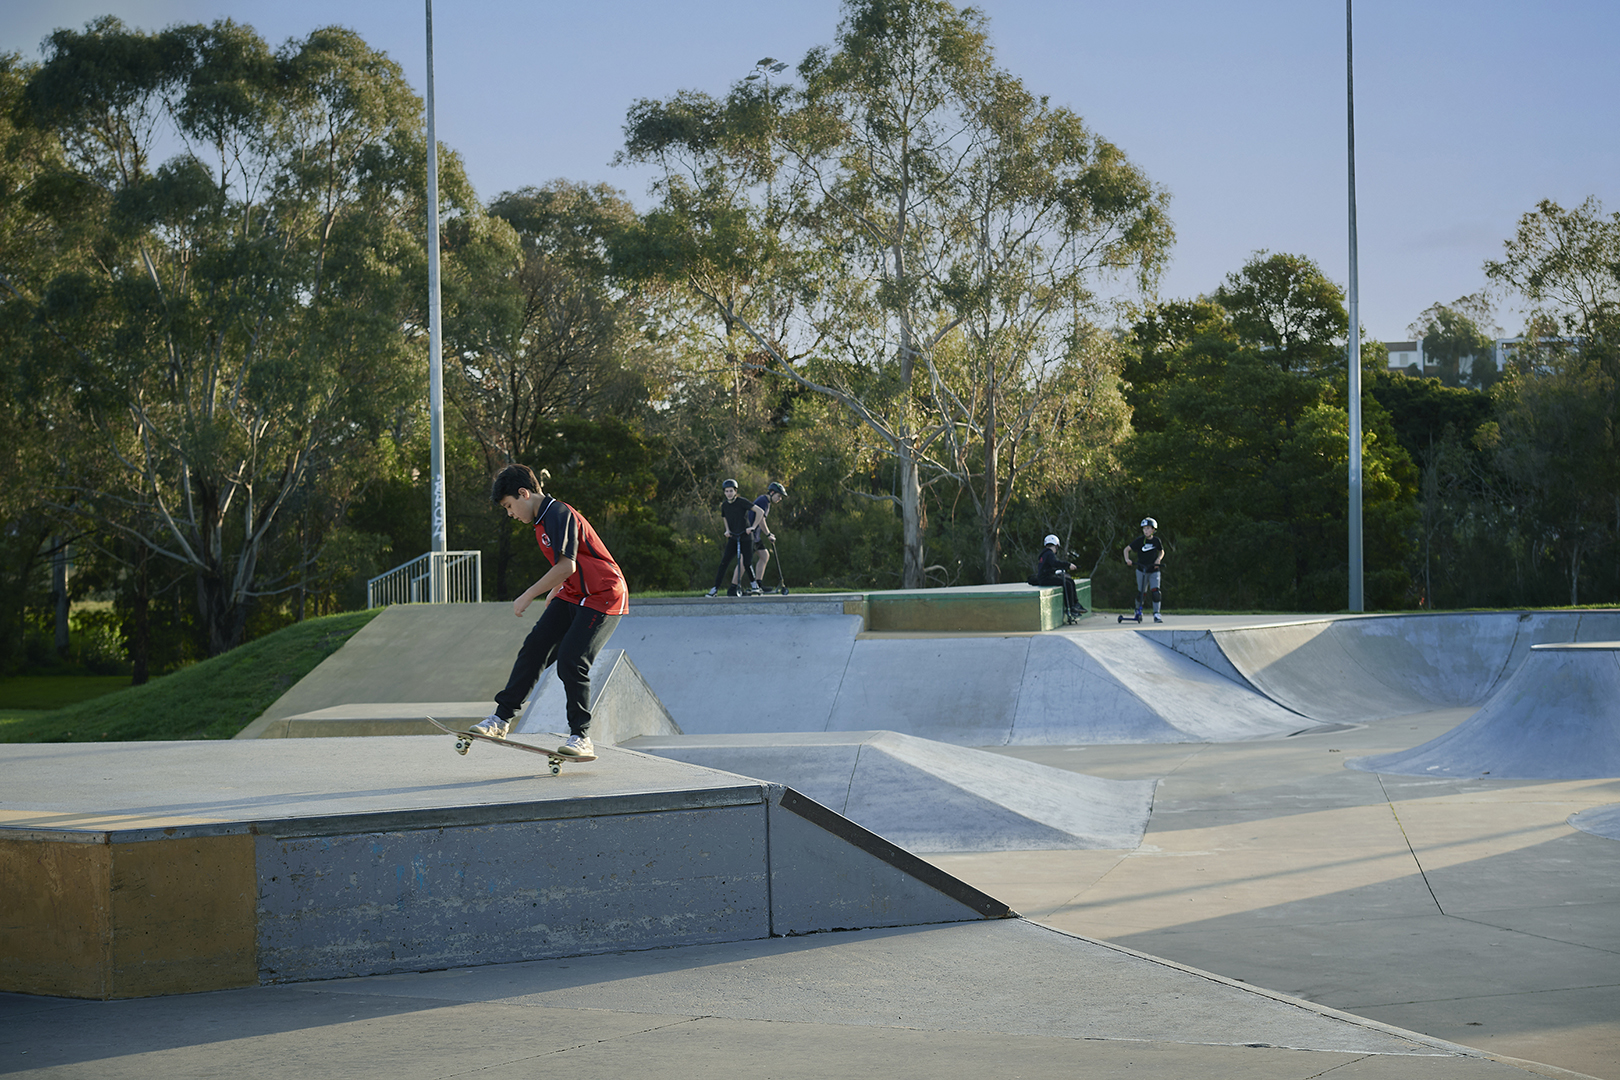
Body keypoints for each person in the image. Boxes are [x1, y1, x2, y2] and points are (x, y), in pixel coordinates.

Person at [470, 464, 627, 759]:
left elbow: (566, 564)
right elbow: (569, 564)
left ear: (523, 493)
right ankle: (500, 719)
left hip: (604, 594)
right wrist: (557, 590)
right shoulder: (540, 521)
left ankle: (581, 736)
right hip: (574, 593)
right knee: (534, 647)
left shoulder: (558, 513)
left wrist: (528, 595)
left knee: (571, 659)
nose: (510, 513)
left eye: (509, 506)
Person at [707, 479, 760, 597]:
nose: (729, 493)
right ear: (724, 492)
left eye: (731, 491)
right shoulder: (725, 505)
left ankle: (754, 585)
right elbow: (724, 517)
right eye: (726, 491)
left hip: (746, 536)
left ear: (735, 491)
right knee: (724, 562)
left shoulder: (742, 502)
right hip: (734, 537)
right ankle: (715, 588)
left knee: (747, 563)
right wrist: (727, 530)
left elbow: (759, 512)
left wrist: (753, 527)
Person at [735, 481, 787, 589]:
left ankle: (758, 584)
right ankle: (734, 586)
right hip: (749, 536)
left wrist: (767, 533)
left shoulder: (766, 502)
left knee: (764, 555)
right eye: (779, 495)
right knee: (744, 562)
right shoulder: (763, 501)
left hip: (756, 537)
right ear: (772, 492)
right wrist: (768, 535)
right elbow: (761, 520)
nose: (780, 498)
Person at [1033, 534, 1085, 624]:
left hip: (1045, 577)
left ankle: (1075, 604)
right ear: (1056, 546)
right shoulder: (1049, 553)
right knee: (1067, 583)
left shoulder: (1044, 554)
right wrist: (1068, 565)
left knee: (1069, 580)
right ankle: (1071, 607)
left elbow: (1049, 567)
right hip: (1046, 579)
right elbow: (1054, 563)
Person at [1123, 517, 1166, 622]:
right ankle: (1138, 610)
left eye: (1148, 528)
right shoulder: (1140, 540)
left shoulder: (1156, 541)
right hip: (1142, 570)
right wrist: (1127, 559)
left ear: (1153, 530)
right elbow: (1126, 549)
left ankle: (1156, 614)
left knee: (1156, 592)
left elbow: (1161, 551)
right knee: (1142, 593)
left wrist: (1158, 560)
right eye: (1144, 529)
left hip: (1154, 570)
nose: (1146, 531)